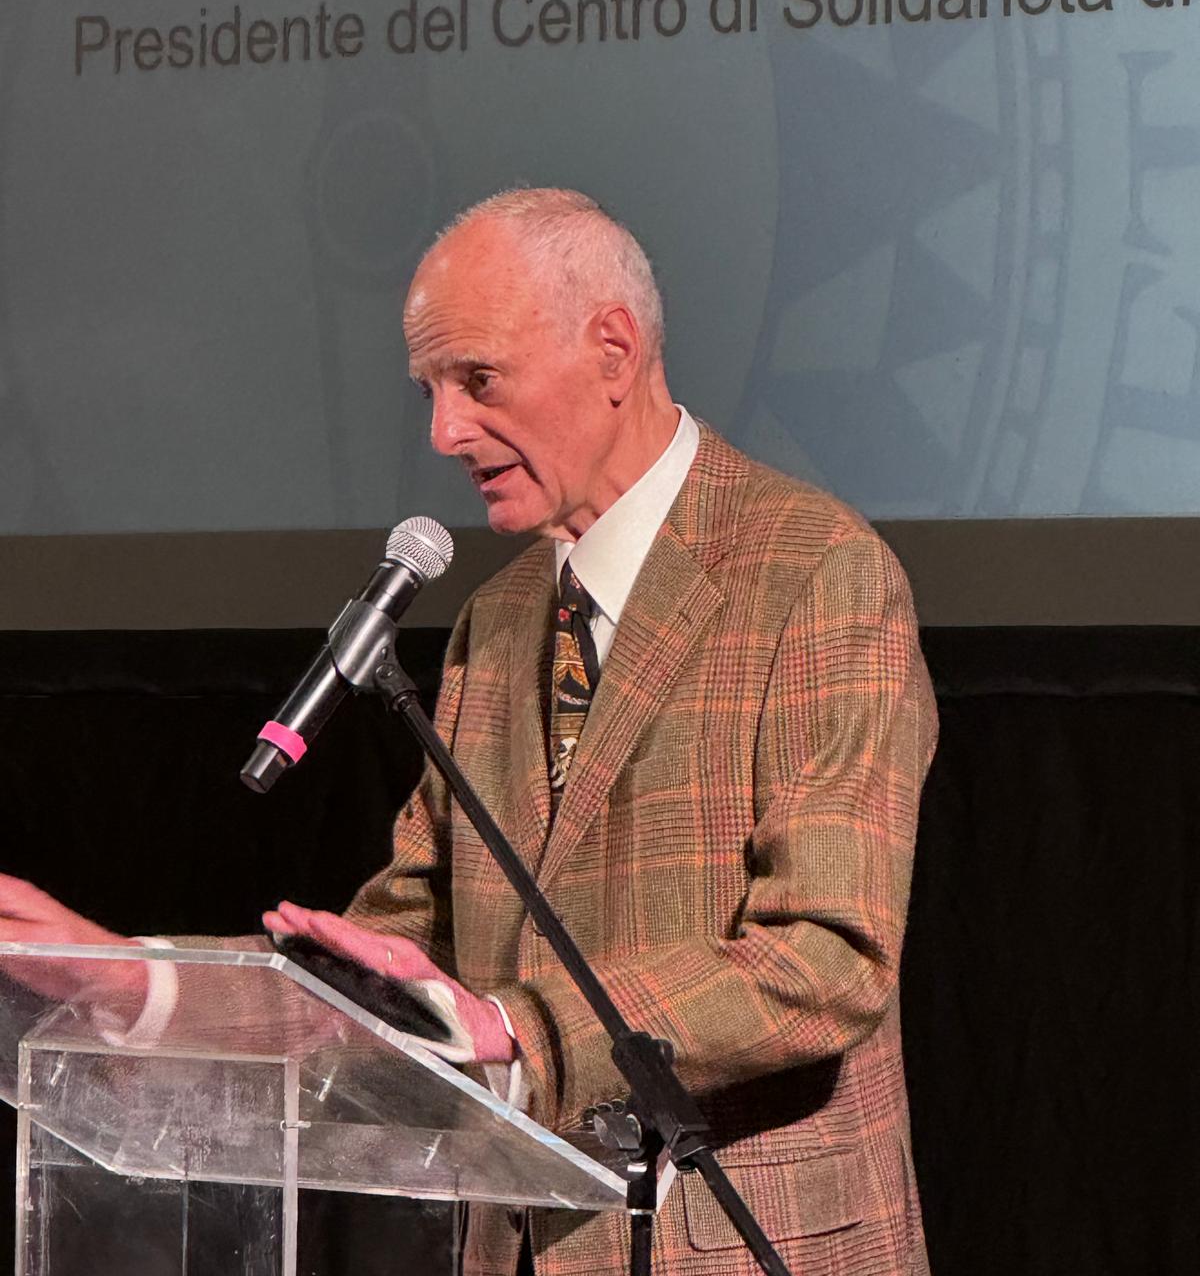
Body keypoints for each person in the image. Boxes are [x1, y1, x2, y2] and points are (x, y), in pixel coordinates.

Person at [0, 187, 938, 1276]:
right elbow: (395, 967)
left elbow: (828, 957)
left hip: (746, 1248)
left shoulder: (817, 574)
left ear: (614, 350)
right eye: (430, 391)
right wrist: (142, 984)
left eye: (477, 380)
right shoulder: (497, 624)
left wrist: (516, 1029)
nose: (444, 432)